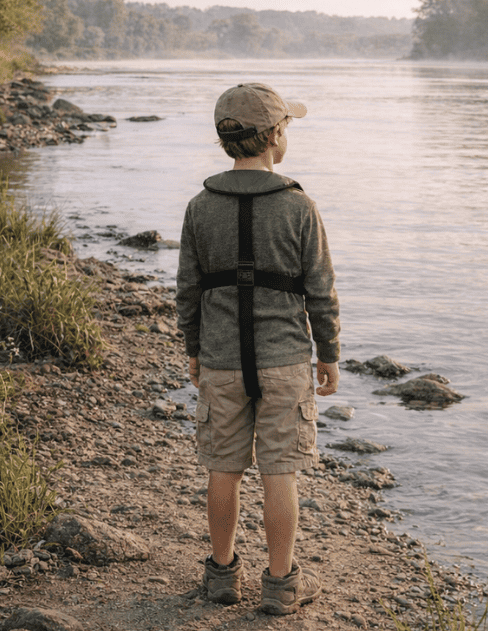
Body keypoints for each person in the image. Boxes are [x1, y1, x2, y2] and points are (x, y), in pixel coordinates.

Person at [175, 82, 341, 615]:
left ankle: (221, 577)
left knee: (222, 469)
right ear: (273, 136)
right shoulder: (298, 206)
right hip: (285, 360)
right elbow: (321, 289)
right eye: (286, 126)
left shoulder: (200, 206)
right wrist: (330, 354)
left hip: (221, 360)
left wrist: (194, 349)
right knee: (279, 471)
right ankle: (280, 584)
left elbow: (188, 288)